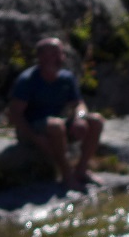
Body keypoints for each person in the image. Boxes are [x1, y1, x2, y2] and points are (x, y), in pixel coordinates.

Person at [7, 37, 105, 192]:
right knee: (56, 125)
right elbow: (15, 115)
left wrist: (79, 118)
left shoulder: (66, 78)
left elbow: (78, 104)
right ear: (41, 57)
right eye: (54, 54)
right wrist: (36, 138)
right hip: (33, 130)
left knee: (96, 120)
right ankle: (67, 176)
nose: (60, 58)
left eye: (60, 53)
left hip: (57, 125)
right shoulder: (27, 81)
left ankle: (81, 170)